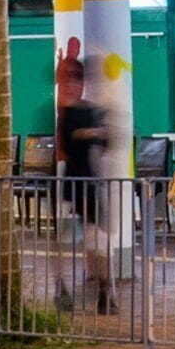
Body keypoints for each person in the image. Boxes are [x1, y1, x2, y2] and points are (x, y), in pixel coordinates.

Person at [54, 49, 114, 313]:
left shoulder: (92, 112)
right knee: (66, 239)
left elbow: (108, 142)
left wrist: (95, 134)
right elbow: (66, 142)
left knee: (94, 237)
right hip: (74, 183)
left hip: (88, 182)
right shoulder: (68, 115)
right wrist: (89, 134)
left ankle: (103, 289)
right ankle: (63, 287)